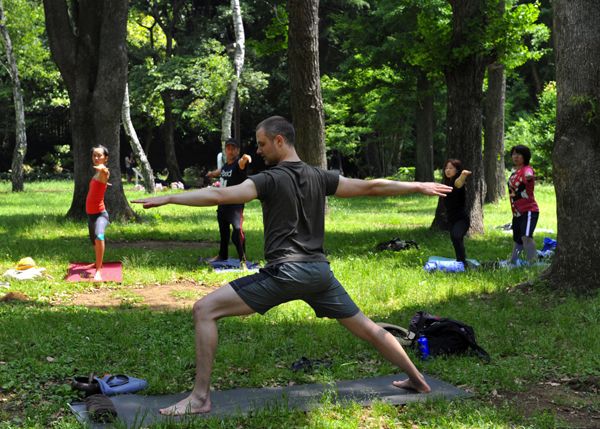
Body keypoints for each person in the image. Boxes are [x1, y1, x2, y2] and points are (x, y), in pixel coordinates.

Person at [133, 116, 452, 416]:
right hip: (319, 274)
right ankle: (417, 379)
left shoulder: (268, 179)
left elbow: (223, 196)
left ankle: (200, 398)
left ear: (280, 141)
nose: (257, 151)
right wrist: (417, 186)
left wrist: (172, 198)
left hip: (285, 273)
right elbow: (371, 186)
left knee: (205, 310)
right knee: (369, 328)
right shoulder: (319, 176)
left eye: (261, 144)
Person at [206, 139, 252, 263]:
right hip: (222, 205)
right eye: (228, 148)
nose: (230, 151)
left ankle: (243, 259)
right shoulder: (226, 165)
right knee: (224, 233)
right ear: (225, 150)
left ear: (237, 150)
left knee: (237, 231)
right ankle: (222, 255)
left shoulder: (238, 164)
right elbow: (219, 172)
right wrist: (210, 174)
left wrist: (246, 158)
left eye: (233, 148)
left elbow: (243, 161)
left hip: (235, 206)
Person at [507, 145, 539, 265]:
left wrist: (529, 177)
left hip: (529, 210)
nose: (515, 156)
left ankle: (534, 265)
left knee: (526, 237)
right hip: (517, 212)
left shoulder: (526, 169)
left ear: (525, 156)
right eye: (514, 154)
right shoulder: (514, 173)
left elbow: (529, 175)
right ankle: (513, 262)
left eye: (519, 154)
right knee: (518, 239)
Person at [86, 145, 110, 281]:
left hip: (101, 214)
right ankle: (97, 262)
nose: (96, 158)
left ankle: (98, 271)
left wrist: (103, 169)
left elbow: (105, 172)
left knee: (99, 236)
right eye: (94, 155)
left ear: (106, 158)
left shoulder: (103, 173)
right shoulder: (96, 173)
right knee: (94, 241)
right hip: (91, 216)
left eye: (99, 155)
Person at [442, 159, 472, 266]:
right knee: (456, 240)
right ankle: (461, 262)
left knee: (456, 236)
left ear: (457, 170)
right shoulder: (447, 183)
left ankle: (462, 262)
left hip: (461, 219)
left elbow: (458, 183)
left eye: (451, 168)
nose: (448, 170)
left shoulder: (457, 182)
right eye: (446, 168)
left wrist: (463, 175)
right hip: (452, 219)